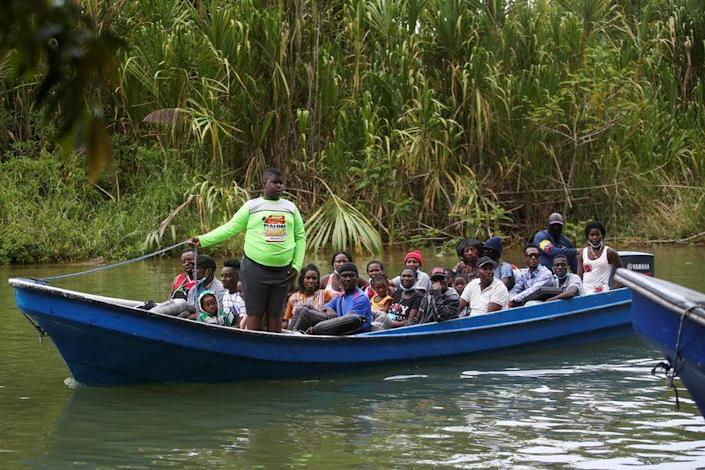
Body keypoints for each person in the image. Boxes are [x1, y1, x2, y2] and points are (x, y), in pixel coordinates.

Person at [187, 168, 306, 332]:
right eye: (275, 183)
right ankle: (254, 347)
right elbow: (230, 228)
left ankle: (274, 350)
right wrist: (202, 240)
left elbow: (300, 237)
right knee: (255, 313)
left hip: (283, 271)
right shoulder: (252, 206)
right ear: (264, 184)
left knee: (275, 314)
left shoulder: (291, 208)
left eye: (281, 183)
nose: (279, 186)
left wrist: (296, 266)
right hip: (255, 269)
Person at [288, 262, 372, 334]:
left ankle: (293, 338)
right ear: (339, 279)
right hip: (337, 325)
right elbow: (323, 307)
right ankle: (289, 334)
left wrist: (316, 329)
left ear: (357, 278)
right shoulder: (340, 296)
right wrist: (328, 309)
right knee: (302, 308)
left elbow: (349, 322)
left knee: (305, 313)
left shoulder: (361, 298)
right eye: (345, 276)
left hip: (351, 332)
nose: (348, 279)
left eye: (351, 276)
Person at [577, 221, 623, 294]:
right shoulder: (583, 253)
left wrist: (614, 290)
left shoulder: (610, 252)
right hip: (584, 292)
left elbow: (622, 273)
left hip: (602, 292)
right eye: (591, 235)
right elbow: (579, 277)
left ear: (602, 235)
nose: (595, 237)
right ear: (588, 236)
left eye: (597, 234)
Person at [283, 263, 333, 328]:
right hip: (296, 327)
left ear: (317, 281)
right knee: (299, 310)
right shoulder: (293, 298)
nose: (311, 281)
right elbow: (286, 320)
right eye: (308, 278)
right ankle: (292, 333)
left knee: (303, 310)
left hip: (317, 327)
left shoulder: (325, 294)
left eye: (314, 278)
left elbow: (329, 312)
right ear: (302, 280)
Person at [185, 254, 227, 319]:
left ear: (208, 270)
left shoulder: (220, 289)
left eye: (197, 268)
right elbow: (188, 308)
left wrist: (199, 316)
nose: (193, 270)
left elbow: (220, 312)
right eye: (193, 268)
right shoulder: (193, 289)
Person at [221, 259, 246, 327]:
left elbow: (242, 323)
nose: (223, 279)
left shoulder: (242, 297)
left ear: (238, 277)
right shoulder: (225, 295)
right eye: (222, 276)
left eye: (228, 276)